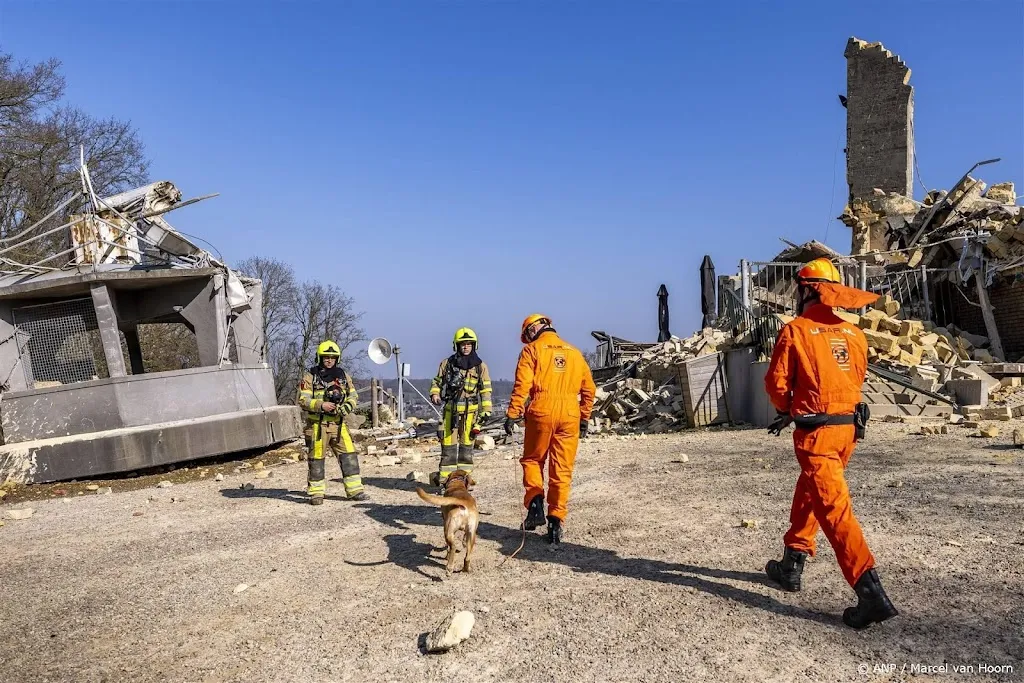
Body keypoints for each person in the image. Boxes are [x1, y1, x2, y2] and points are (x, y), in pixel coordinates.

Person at [764, 258, 898, 629]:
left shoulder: (796, 330)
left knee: (834, 509)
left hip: (817, 432)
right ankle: (792, 562)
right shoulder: (855, 335)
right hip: (848, 430)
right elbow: (855, 378)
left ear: (806, 289)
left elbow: (776, 385)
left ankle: (869, 590)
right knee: (812, 489)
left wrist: (787, 407)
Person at [505, 314, 596, 546]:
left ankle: (535, 504)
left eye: (527, 335)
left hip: (541, 410)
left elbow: (522, 385)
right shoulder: (575, 353)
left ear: (534, 328)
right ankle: (556, 522)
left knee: (533, 460)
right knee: (562, 470)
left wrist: (513, 413)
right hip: (569, 414)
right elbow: (589, 389)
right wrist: (583, 417)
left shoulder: (532, 351)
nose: (527, 339)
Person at [297, 340, 366, 504]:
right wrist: (321, 405)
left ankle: (355, 490)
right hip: (318, 426)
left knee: (349, 455)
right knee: (317, 460)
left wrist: (347, 406)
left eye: (332, 357)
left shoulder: (343, 376)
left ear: (337, 358)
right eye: (326, 357)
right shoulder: (310, 377)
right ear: (320, 358)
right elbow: (303, 400)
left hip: (339, 424)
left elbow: (353, 395)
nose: (329, 360)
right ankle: (316, 493)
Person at [430, 328, 492, 487]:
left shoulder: (480, 366)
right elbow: (437, 381)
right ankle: (446, 479)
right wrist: (435, 394)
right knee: (448, 446)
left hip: (470, 413)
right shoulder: (447, 364)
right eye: (462, 344)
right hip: (451, 411)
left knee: (466, 447)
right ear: (456, 346)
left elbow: (485, 390)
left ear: (474, 346)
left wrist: (486, 410)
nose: (466, 347)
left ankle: (464, 480)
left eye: (469, 344)